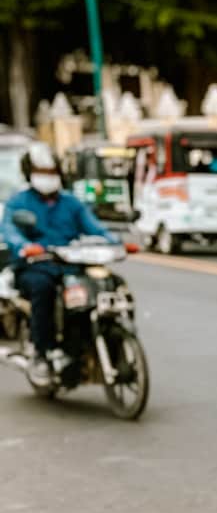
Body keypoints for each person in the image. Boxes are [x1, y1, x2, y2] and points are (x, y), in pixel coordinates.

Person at [1, 144, 109, 372]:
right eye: (42, 172)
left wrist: (115, 241)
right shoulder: (18, 202)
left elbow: (95, 228)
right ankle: (44, 351)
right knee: (43, 289)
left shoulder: (71, 203)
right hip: (34, 266)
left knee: (103, 284)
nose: (47, 178)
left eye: (51, 173)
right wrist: (25, 246)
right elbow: (10, 231)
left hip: (70, 265)